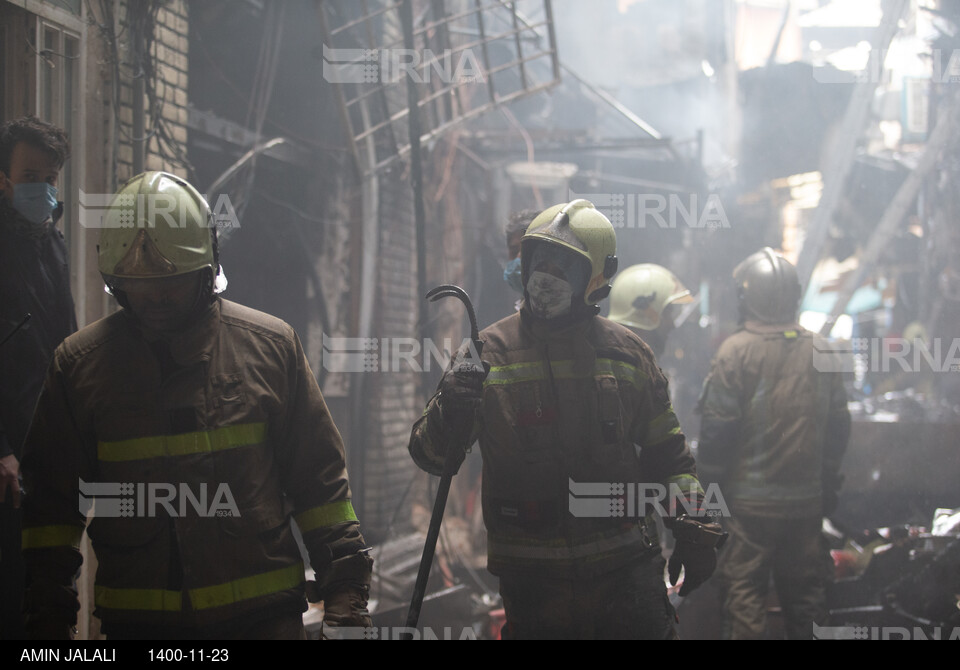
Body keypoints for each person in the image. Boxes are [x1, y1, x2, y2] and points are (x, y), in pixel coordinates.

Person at [19, 172, 371, 640]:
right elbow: (49, 514)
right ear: (117, 280)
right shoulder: (79, 369)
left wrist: (347, 613)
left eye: (173, 283)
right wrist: (47, 627)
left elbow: (322, 490)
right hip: (141, 629)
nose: (157, 298)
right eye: (141, 285)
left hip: (262, 622)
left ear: (206, 272)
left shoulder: (269, 348)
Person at [409, 199, 723, 640]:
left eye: (564, 266)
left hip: (627, 580)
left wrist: (694, 528)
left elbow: (668, 457)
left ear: (594, 277)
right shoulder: (485, 354)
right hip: (536, 592)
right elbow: (430, 455)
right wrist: (450, 407)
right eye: (540, 260)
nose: (546, 276)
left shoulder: (627, 355)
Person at [697, 248, 850, 640]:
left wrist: (709, 497)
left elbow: (717, 434)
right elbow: (838, 428)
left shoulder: (735, 351)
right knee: (807, 600)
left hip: (748, 509)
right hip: (805, 504)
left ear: (747, 297)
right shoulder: (824, 350)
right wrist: (827, 485)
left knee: (744, 595)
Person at [0, 116, 76, 640]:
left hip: (47, 456)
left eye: (50, 179)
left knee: (48, 597)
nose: (41, 190)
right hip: (4, 467)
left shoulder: (55, 245)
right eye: (30, 176)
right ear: (3, 177)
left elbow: (64, 346)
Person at [607, 264, 694, 359]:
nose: (671, 325)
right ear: (643, 312)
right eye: (667, 314)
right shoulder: (627, 368)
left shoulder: (628, 364)